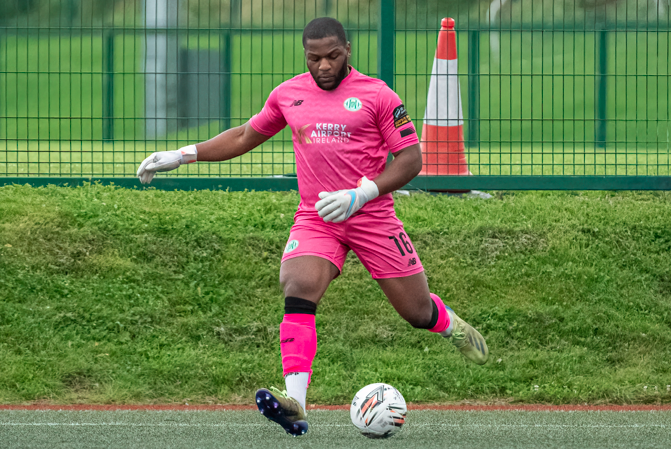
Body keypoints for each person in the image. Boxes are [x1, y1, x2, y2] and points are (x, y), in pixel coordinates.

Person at [136, 17, 488, 437]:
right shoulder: (289, 94)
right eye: (314, 57)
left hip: (372, 216)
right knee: (297, 285)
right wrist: (184, 153)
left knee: (416, 312)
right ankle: (296, 404)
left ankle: (450, 324)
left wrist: (363, 193)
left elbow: (411, 158)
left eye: (332, 56)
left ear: (348, 51)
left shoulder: (377, 95)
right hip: (317, 215)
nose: (323, 65)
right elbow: (246, 134)